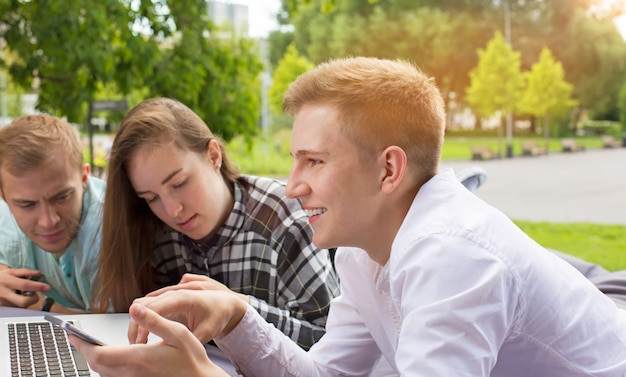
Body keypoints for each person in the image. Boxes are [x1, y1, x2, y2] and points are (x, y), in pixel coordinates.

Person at [72, 58, 626, 377]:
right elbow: (328, 375)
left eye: (313, 161)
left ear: (389, 170)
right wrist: (237, 315)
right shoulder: (365, 250)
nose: (291, 186)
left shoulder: (454, 257)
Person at [92, 97, 339, 350]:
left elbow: (332, 344)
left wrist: (238, 312)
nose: (172, 210)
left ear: (213, 155)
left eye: (179, 184)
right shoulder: (157, 234)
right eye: (152, 198)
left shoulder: (284, 220)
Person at [0, 114, 105, 313]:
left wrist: (42, 304)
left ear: (84, 177)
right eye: (27, 205)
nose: (48, 222)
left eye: (61, 197)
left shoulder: (112, 229)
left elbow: (112, 331)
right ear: (3, 197)